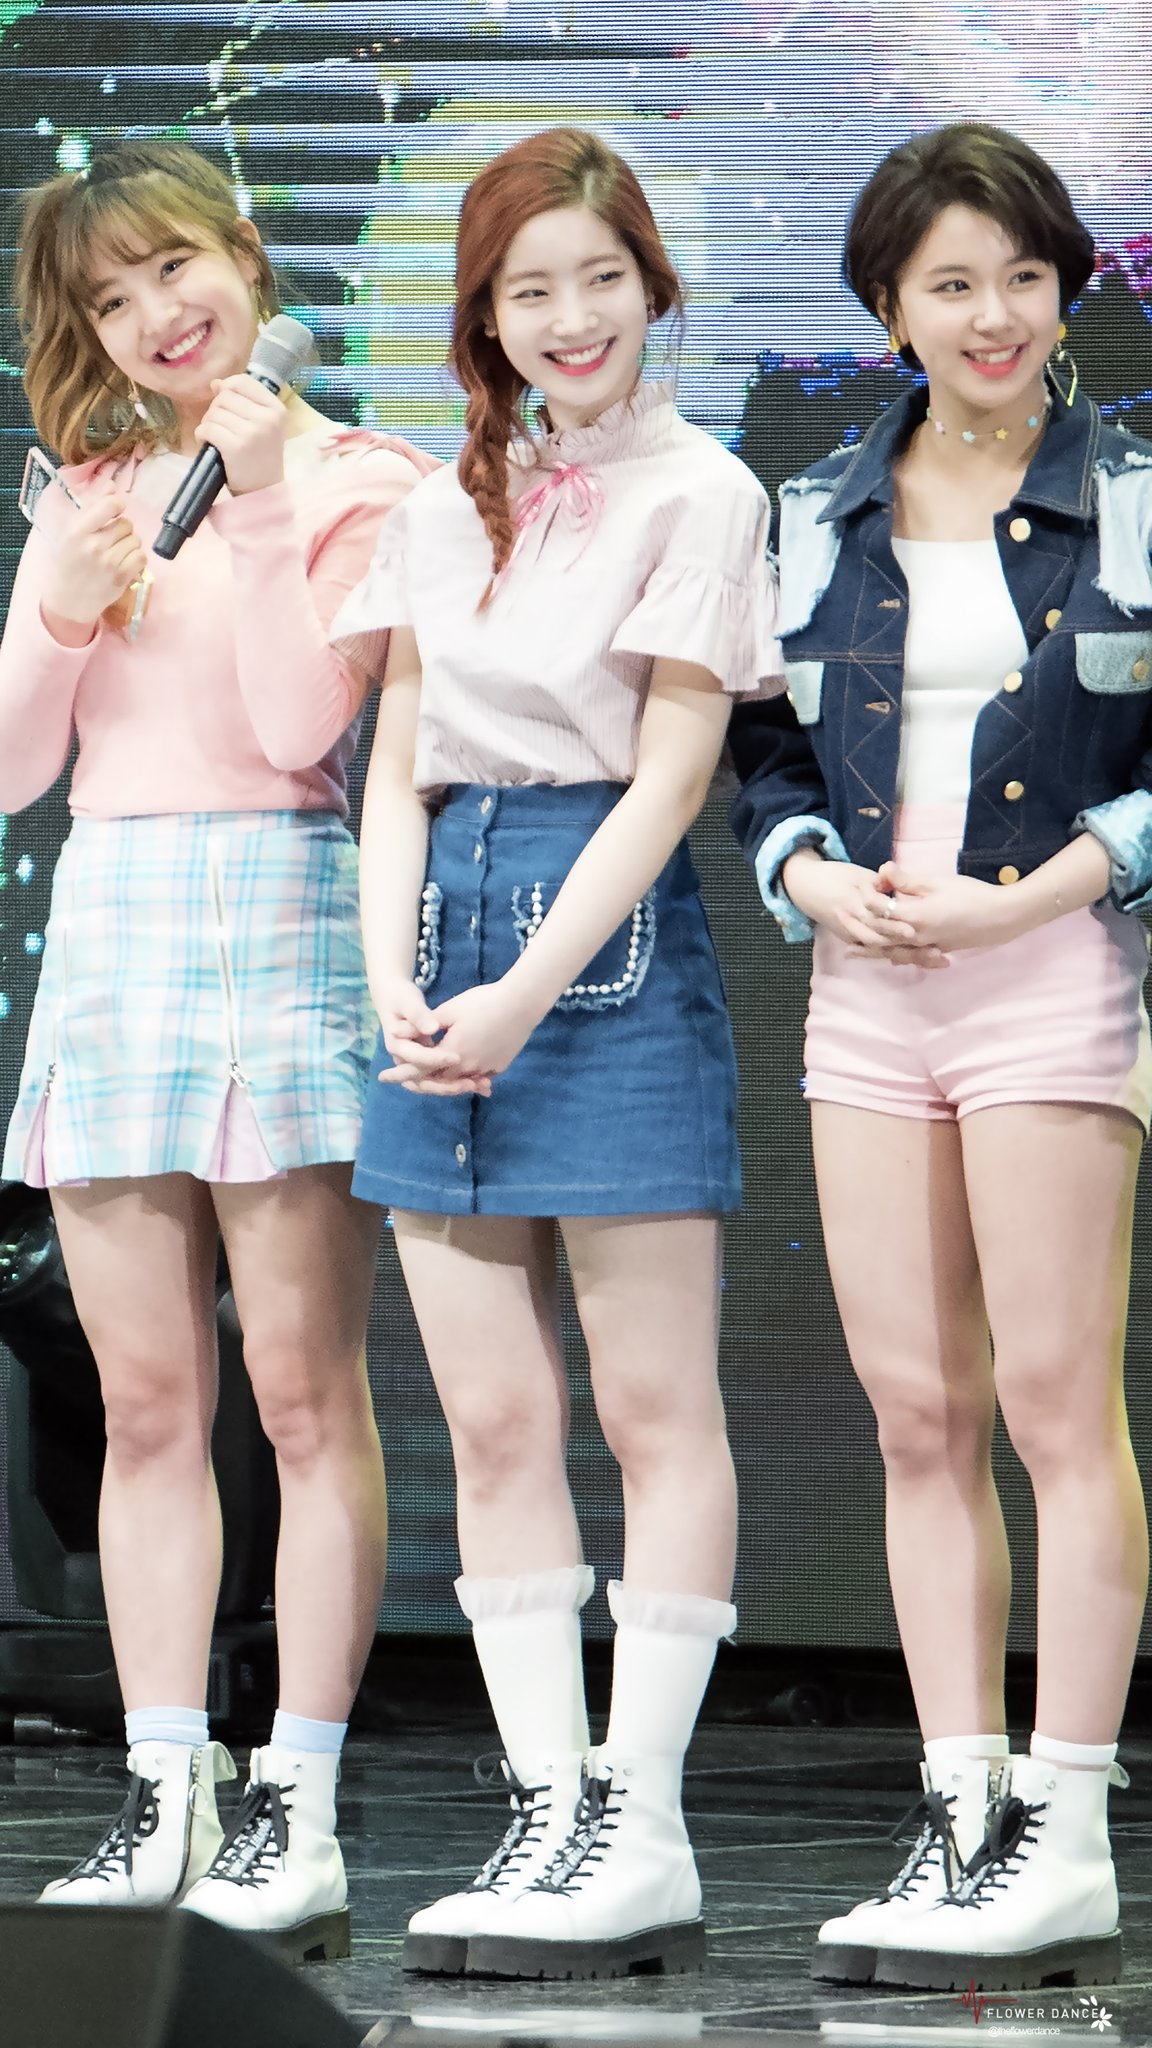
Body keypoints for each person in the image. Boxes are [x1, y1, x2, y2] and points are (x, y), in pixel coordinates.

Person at [331, 124, 781, 1981]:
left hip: (599, 941)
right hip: (440, 938)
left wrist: (522, 990)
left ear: (652, 286)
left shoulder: (706, 491)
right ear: (486, 315)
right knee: (494, 1419)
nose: (573, 316)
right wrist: (390, 973)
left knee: (652, 1410)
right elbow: (394, 765)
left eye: (603, 278)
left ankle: (639, 1821)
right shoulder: (442, 505)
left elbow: (671, 778)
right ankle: (543, 1808)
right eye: (532, 289)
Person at [731, 121, 1152, 1993]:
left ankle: (1067, 1829)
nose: (996, 316)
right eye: (953, 284)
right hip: (868, 983)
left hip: (1049, 963)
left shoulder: (1131, 496)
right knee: (917, 1414)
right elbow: (762, 755)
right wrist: (811, 875)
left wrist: (1024, 899)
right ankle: (961, 1805)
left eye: (1024, 278)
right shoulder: (813, 511)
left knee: (1056, 1405)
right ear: (890, 308)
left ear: (1066, 291)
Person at [0, 140, 424, 1958]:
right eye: (112, 298)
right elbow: (12, 769)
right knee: (147, 1405)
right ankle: (164, 1786)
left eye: (176, 267)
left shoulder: (364, 480)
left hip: (282, 910)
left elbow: (299, 724)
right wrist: (55, 604)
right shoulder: (89, 493)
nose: (158, 315)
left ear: (245, 256)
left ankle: (296, 1806)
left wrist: (253, 507)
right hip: (117, 922)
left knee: (306, 1399)